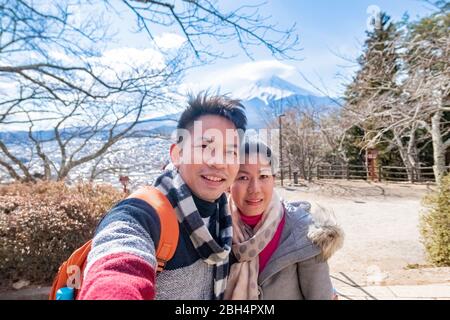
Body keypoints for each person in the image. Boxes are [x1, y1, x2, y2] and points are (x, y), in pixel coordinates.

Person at [78, 93, 247, 300]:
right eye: (204, 146)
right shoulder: (144, 215)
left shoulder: (224, 218)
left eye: (231, 152)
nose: (218, 162)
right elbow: (116, 268)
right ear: (177, 154)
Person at [224, 141, 344, 300]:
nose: (255, 188)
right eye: (243, 177)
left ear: (273, 180)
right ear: (228, 183)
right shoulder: (215, 229)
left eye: (263, 176)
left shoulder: (303, 231)